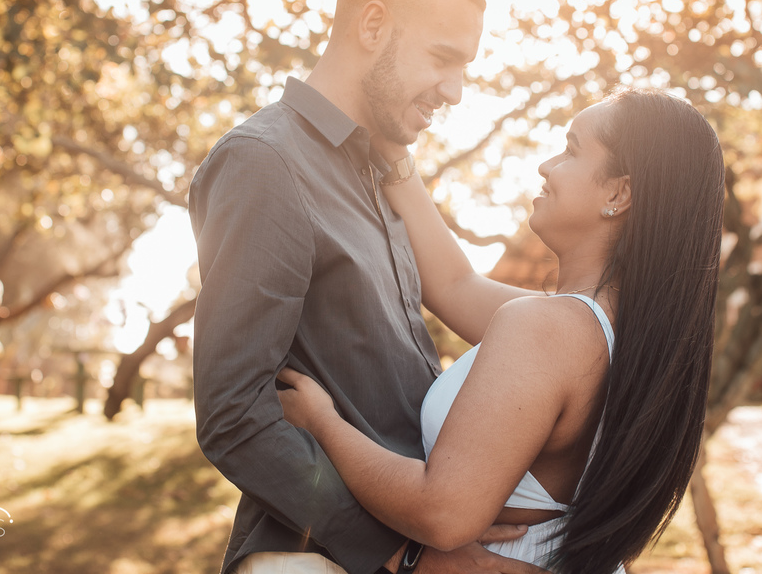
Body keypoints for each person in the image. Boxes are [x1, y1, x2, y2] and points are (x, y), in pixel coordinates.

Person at [189, 0, 549, 574]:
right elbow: (233, 415)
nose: (455, 90)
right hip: (319, 559)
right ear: (373, 25)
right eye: (443, 57)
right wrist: (402, 553)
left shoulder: (381, 172)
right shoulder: (265, 163)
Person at [277, 88, 726, 574]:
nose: (546, 166)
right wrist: (393, 152)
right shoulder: (607, 329)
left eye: (571, 150)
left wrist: (321, 423)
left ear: (618, 194)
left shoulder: (549, 329)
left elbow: (442, 513)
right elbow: (454, 285)